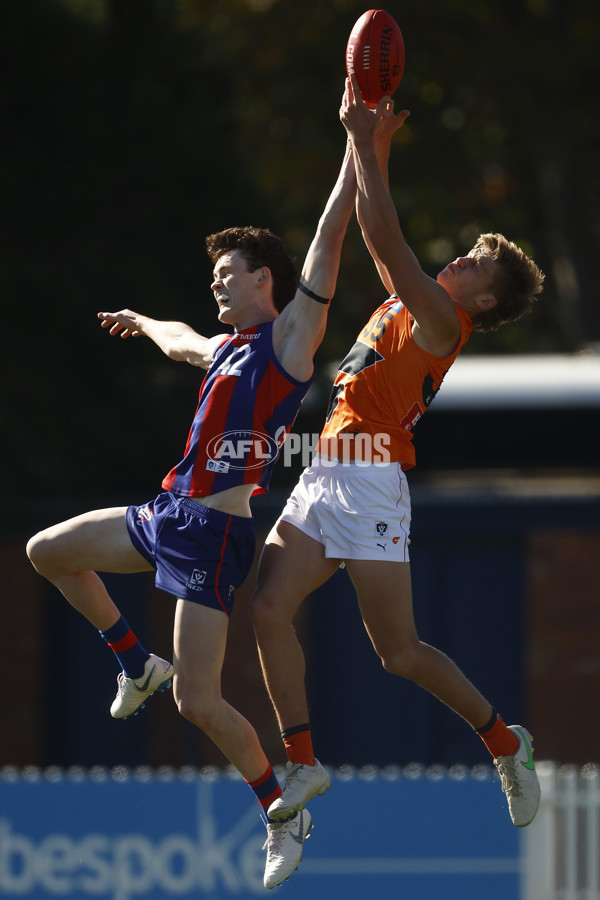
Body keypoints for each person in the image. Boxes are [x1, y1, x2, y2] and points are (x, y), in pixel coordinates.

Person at [26, 139, 359, 889]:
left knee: (199, 700)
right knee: (47, 551)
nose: (216, 286)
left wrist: (356, 144)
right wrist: (144, 321)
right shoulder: (228, 347)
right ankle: (134, 660)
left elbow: (332, 233)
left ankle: (282, 811)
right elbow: (184, 342)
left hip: (211, 535)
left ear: (264, 278)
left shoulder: (287, 343)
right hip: (166, 512)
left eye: (225, 275)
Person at [250, 74, 545, 832]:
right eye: (472, 254)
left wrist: (363, 144)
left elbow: (383, 239)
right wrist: (371, 147)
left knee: (400, 652)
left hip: (374, 484)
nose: (464, 260)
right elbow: (381, 236)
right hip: (325, 471)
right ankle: (304, 758)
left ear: (481, 301)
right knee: (269, 608)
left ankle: (504, 741)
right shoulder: (417, 300)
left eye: (477, 264)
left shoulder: (446, 320)